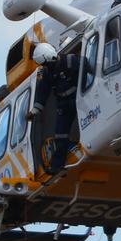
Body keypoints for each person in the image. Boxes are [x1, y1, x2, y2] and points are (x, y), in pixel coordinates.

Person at [29, 42, 80, 174]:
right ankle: (57, 165)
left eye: (46, 64)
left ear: (50, 57)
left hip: (79, 99)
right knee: (60, 135)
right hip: (63, 104)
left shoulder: (71, 61)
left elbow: (89, 71)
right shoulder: (47, 73)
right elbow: (42, 93)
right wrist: (35, 111)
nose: (46, 67)